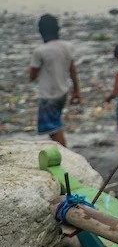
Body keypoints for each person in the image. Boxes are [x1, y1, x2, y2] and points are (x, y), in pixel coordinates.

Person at [29, 14, 82, 147]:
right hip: (62, 92)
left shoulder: (40, 51)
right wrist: (76, 90)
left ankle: (65, 155)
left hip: (49, 95)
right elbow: (73, 70)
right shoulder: (67, 46)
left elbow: (32, 75)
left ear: (41, 31)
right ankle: (64, 153)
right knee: (55, 124)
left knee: (53, 129)